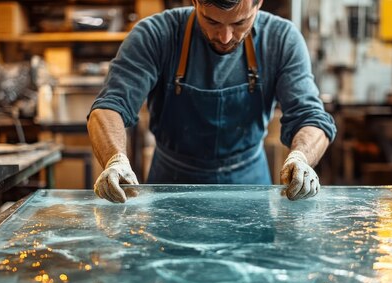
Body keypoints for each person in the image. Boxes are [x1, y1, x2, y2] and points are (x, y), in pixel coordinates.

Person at [88, 0, 336, 203]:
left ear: (258, 4)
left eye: (240, 22)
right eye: (212, 21)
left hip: (249, 190)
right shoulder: (155, 34)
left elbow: (311, 117)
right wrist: (115, 159)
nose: (226, 37)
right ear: (195, 3)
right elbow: (110, 106)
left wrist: (301, 158)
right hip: (170, 188)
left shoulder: (281, 39)